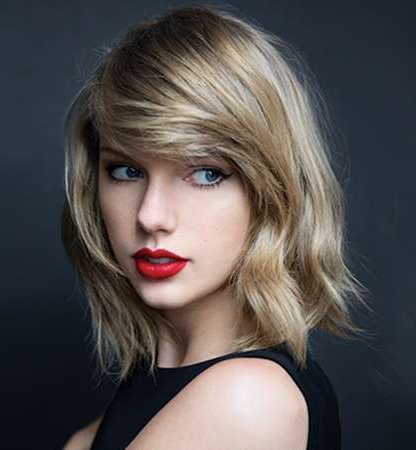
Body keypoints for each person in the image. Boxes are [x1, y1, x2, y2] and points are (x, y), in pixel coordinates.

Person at [61, 4, 370, 449]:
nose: (151, 216)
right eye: (126, 171)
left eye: (206, 174)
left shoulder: (247, 400)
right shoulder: (131, 410)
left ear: (272, 189)